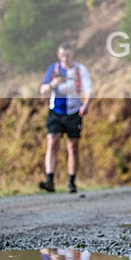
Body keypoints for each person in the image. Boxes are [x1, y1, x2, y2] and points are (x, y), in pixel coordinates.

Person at [39, 42, 93, 194]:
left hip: (73, 112)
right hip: (55, 111)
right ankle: (49, 180)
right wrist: (51, 85)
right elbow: (42, 89)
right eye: (62, 55)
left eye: (67, 55)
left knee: (72, 146)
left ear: (72, 54)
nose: (65, 58)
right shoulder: (53, 69)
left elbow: (88, 89)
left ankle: (71, 181)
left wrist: (86, 104)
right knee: (52, 142)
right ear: (58, 54)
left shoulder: (80, 70)